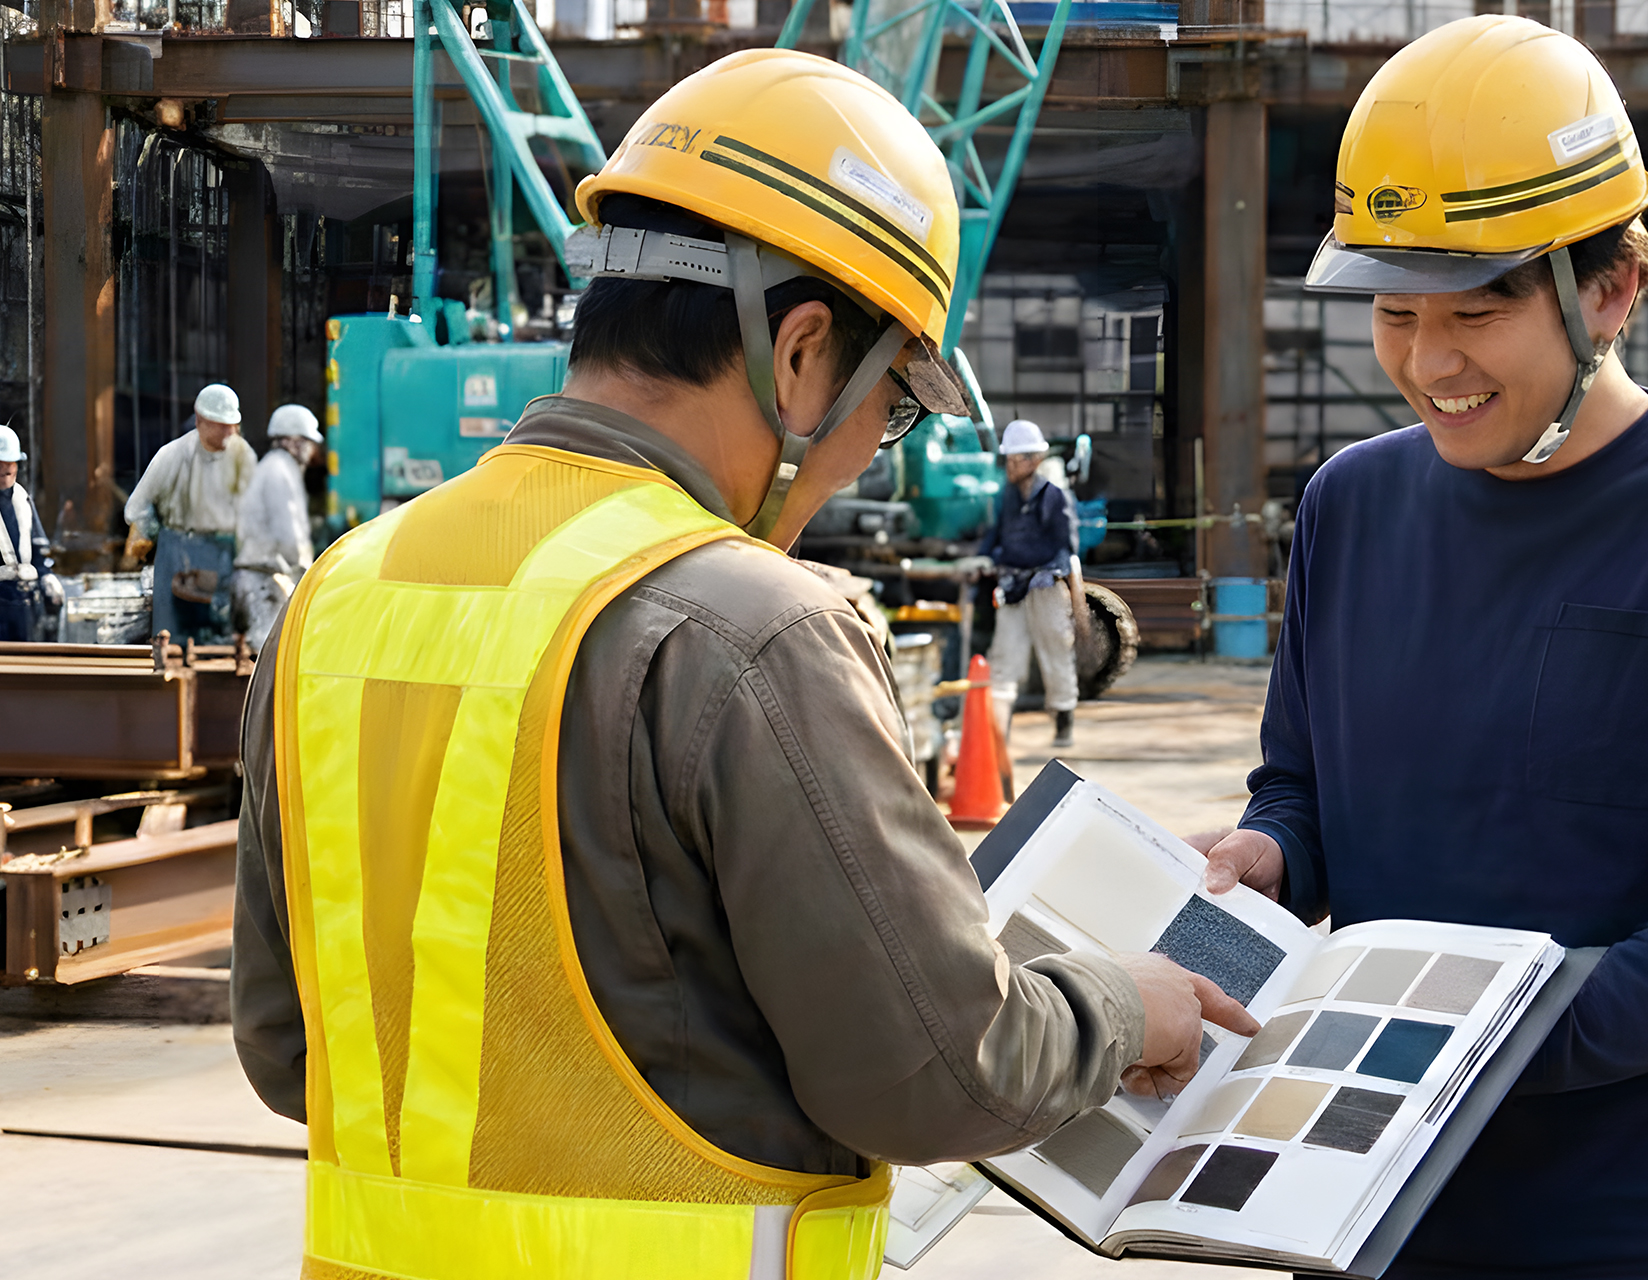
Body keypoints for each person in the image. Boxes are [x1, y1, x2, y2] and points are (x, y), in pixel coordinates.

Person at [231, 51, 1253, 1280]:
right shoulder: (752, 627)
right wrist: (1120, 1003)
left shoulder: (338, 596)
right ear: (804, 351)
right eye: (893, 406)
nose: (874, 451)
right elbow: (941, 1070)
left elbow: (290, 1049)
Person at [1186, 18, 1648, 1277]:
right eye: (1394, 311)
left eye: (1476, 311)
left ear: (1608, 291)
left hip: (1636, 1232)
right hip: (1354, 1204)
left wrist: (1491, 1040)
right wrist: (1270, 854)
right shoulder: (1350, 506)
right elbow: (1304, 785)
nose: (1427, 362)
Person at [978, 418, 1083, 748]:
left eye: (1016, 460)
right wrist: (982, 559)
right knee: (1004, 657)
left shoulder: (1053, 497)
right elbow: (996, 535)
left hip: (1045, 588)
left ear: (1035, 460)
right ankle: (998, 734)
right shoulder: (1008, 497)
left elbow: (1066, 545)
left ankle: (1063, 720)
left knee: (1055, 652)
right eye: (1008, 460)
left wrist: (1045, 570)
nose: (1010, 466)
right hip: (1013, 587)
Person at [125, 383, 256, 643]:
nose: (229, 432)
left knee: (222, 642)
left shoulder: (243, 457)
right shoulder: (172, 455)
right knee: (174, 641)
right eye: (221, 425)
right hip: (177, 554)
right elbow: (137, 508)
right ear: (200, 421)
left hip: (225, 555)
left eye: (233, 425)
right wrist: (149, 534)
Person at [233, 403, 322, 650]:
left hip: (263, 579)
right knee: (270, 654)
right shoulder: (279, 472)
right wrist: (309, 574)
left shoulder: (279, 467)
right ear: (293, 441)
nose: (311, 450)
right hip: (262, 583)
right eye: (308, 442)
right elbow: (289, 534)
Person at [0, 424, 61, 642]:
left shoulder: (22, 500)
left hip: (26, 604)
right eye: (0, 463)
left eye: (11, 462)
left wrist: (46, 576)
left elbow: (38, 548)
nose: (6, 468)